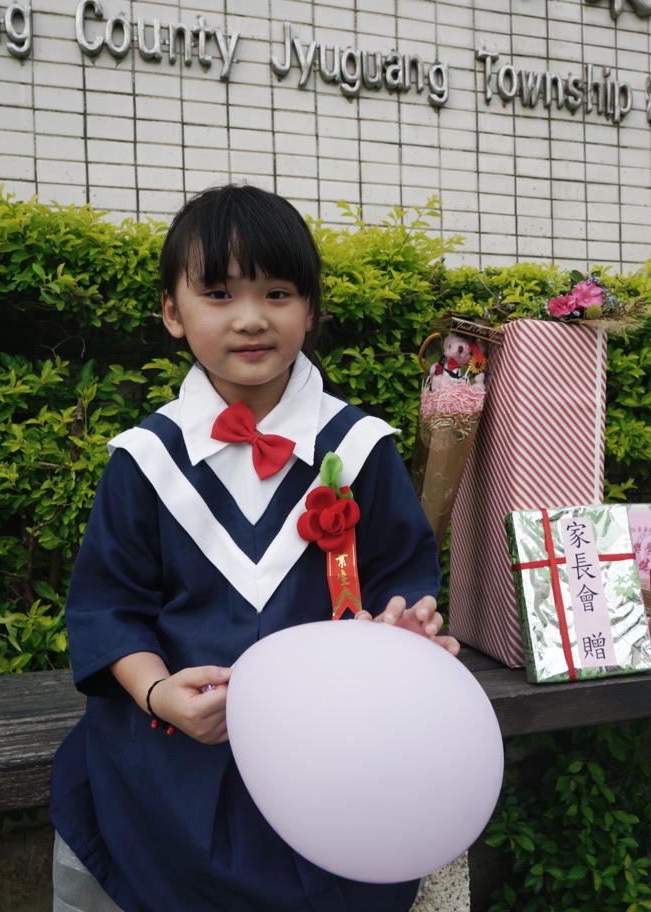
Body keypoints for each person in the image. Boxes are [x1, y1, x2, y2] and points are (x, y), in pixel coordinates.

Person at [50, 184, 459, 912]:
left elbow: (401, 581)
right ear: (173, 313)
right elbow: (108, 607)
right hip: (177, 744)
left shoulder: (359, 449)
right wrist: (158, 693)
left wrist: (404, 630)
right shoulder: (147, 459)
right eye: (216, 293)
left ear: (310, 309)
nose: (249, 318)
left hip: (331, 749)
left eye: (276, 292)